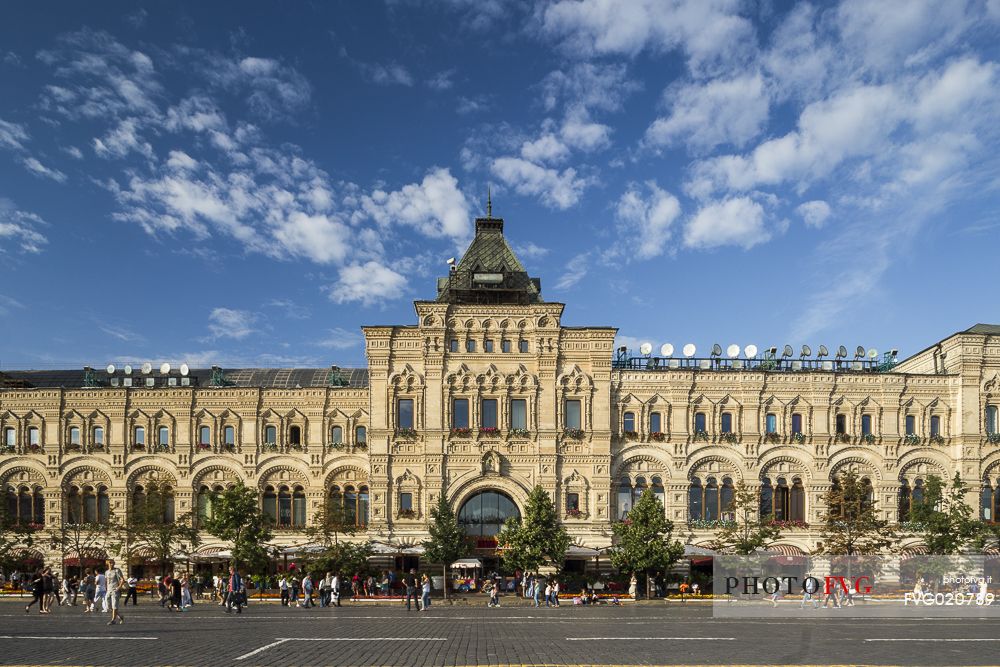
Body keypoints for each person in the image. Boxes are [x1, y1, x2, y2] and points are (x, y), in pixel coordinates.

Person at [105, 559, 125, 625]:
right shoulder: (106, 572)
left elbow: (122, 580)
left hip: (115, 590)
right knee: (108, 607)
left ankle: (113, 620)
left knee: (114, 606)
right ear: (107, 563)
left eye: (113, 563)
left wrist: (118, 588)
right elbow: (107, 581)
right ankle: (120, 616)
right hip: (108, 590)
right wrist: (106, 588)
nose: (112, 564)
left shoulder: (117, 570)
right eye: (110, 563)